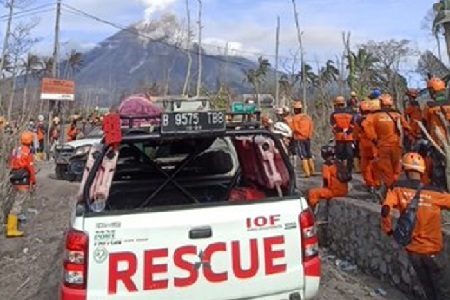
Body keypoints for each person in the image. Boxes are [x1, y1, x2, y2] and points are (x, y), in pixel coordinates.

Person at [381, 152, 450, 300]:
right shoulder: (435, 193)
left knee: (428, 288)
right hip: (433, 250)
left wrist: (388, 231)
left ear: (404, 170)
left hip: (413, 251)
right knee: (444, 289)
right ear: (423, 171)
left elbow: (385, 210)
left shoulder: (398, 190)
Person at [364, 93, 411, 189]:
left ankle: (390, 191)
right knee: (396, 169)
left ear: (380, 103)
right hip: (397, 146)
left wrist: (374, 139)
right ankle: (396, 187)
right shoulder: (397, 115)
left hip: (383, 146)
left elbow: (366, 127)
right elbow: (407, 127)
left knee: (386, 170)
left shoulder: (374, 115)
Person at [7, 131, 37, 237]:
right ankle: (11, 229)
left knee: (16, 200)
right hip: (22, 179)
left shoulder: (16, 150)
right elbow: (31, 168)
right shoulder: (28, 152)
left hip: (13, 177)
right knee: (18, 203)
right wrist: (33, 181)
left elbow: (10, 162)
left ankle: (12, 226)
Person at [422, 77, 449, 189]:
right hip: (446, 140)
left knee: (438, 168)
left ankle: (441, 191)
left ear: (432, 90)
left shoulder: (429, 107)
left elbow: (425, 122)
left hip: (438, 142)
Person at [307, 145, 349, 212]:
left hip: (334, 192)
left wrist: (323, 191)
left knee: (312, 193)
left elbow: (326, 180)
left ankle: (314, 213)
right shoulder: (339, 162)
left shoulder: (327, 165)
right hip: (344, 191)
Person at [354, 100, 381, 194]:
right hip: (375, 145)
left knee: (366, 166)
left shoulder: (359, 120)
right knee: (376, 165)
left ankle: (370, 184)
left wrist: (355, 142)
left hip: (364, 146)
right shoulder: (376, 118)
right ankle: (377, 183)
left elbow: (355, 134)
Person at [330, 95, 355, 176]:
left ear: (336, 104)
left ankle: (340, 170)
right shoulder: (350, 113)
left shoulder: (333, 114)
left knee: (339, 155)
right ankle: (349, 171)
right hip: (349, 136)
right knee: (349, 155)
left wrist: (341, 130)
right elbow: (353, 125)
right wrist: (347, 131)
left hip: (339, 136)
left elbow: (334, 125)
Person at [291, 100, 315, 177]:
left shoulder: (295, 118)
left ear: (295, 110)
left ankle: (307, 172)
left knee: (303, 155)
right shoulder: (307, 117)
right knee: (309, 154)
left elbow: (295, 129)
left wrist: (300, 134)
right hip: (308, 138)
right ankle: (312, 171)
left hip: (299, 138)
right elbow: (311, 127)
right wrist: (309, 135)